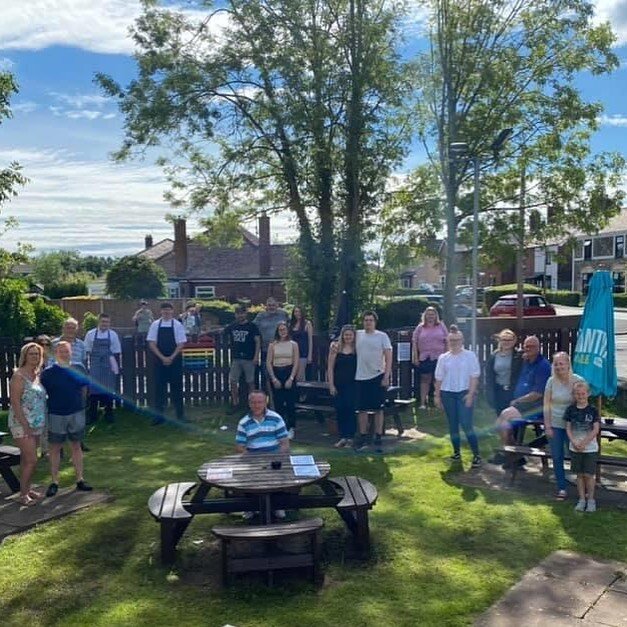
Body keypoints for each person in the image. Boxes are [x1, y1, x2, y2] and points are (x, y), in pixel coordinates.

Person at [41, 341, 92, 497]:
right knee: (55, 448)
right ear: (56, 353)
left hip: (76, 412)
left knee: (76, 446)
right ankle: (55, 481)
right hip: (56, 413)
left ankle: (80, 479)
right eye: (61, 351)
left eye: (67, 351)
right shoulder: (48, 373)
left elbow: (84, 388)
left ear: (71, 353)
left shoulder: (78, 368)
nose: (64, 354)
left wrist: (81, 405)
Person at [235, 389, 290, 520]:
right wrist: (252, 458)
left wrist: (277, 457)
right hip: (253, 457)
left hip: (274, 456)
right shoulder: (243, 422)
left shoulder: (276, 418)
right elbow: (239, 446)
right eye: (253, 402)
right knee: (247, 477)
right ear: (249, 404)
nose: (257, 405)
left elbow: (285, 443)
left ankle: (277, 506)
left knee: (278, 475)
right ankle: (250, 507)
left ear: (266, 402)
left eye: (260, 402)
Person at [434, 325, 482, 467]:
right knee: (453, 425)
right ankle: (456, 453)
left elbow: (474, 376)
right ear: (448, 341)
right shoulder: (443, 358)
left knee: (466, 424)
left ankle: (476, 455)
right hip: (448, 393)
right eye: (452, 340)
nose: (454, 343)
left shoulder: (470, 355)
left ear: (462, 340)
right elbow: (439, 378)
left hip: (464, 393)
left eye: (457, 340)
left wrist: (470, 394)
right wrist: (437, 396)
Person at [8, 343, 47, 505]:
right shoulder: (19, 376)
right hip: (21, 424)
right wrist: (25, 425)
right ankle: (22, 495)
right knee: (32, 460)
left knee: (27, 459)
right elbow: (15, 403)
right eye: (31, 354)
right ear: (25, 356)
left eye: (37, 354)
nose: (34, 357)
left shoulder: (36, 374)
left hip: (36, 423)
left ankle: (27, 488)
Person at [496, 336, 551, 449]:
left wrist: (517, 400)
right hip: (522, 404)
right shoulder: (525, 361)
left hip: (535, 405)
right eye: (526, 346)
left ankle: (512, 453)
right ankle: (513, 452)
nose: (528, 349)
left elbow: (538, 394)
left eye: (532, 346)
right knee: (500, 423)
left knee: (504, 418)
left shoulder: (543, 365)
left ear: (538, 348)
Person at [543, 352, 585, 501]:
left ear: (568, 364)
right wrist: (547, 426)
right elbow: (546, 405)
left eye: (562, 363)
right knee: (557, 456)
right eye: (556, 364)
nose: (559, 366)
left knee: (577, 455)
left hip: (573, 426)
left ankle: (583, 486)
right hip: (554, 424)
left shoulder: (578, 380)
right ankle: (562, 488)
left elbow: (584, 401)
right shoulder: (550, 381)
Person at [354, 311, 392, 453]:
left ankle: (378, 437)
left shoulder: (382, 336)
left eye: (370, 320)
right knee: (362, 410)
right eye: (365, 320)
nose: (368, 322)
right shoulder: (358, 335)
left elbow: (388, 357)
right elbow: (342, 342)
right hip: (360, 377)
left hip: (377, 376)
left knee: (378, 409)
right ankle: (363, 436)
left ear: (375, 322)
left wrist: (386, 376)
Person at [147, 302, 187, 424]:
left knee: (177, 388)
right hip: (159, 361)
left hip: (175, 361)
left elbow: (181, 343)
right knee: (159, 389)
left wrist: (171, 357)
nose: (166, 312)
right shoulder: (154, 325)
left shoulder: (177, 325)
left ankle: (180, 415)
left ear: (172, 311)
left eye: (168, 310)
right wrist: (162, 357)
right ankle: (159, 417)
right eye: (164, 310)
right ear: (161, 312)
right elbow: (152, 343)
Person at [565, 380, 600, 512]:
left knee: (589, 475)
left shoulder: (593, 410)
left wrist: (584, 443)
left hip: (590, 448)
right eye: (577, 394)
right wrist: (574, 442)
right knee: (579, 475)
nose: (580, 396)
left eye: (583, 393)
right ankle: (581, 499)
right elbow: (568, 428)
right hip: (575, 447)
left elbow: (595, 429)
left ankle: (591, 500)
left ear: (588, 394)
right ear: (574, 395)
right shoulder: (570, 410)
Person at [84, 313, 121, 425]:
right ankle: (92, 414)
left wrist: (115, 368)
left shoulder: (113, 334)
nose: (105, 324)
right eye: (103, 321)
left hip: (109, 365)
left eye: (107, 322)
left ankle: (109, 413)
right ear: (98, 322)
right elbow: (87, 350)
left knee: (109, 389)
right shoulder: (90, 334)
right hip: (95, 364)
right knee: (94, 389)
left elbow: (116, 351)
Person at [266, 322, 299, 439]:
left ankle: (291, 427)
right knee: (278, 403)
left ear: (288, 330)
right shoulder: (273, 345)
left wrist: (291, 378)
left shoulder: (293, 344)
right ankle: (279, 427)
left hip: (289, 371)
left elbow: (296, 362)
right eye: (280, 330)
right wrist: (274, 379)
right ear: (277, 331)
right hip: (276, 372)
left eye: (284, 329)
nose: (282, 332)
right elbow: (268, 363)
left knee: (290, 403)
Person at [224, 306, 260, 408]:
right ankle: (235, 403)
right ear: (235, 315)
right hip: (236, 358)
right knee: (233, 381)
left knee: (250, 382)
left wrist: (256, 356)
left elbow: (257, 341)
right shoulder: (233, 326)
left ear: (246, 314)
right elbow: (222, 330)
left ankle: (252, 405)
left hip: (249, 358)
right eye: (238, 313)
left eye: (242, 313)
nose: (240, 315)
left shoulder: (252, 326)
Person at [411, 306, 447, 409]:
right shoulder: (420, 327)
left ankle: (439, 403)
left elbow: (447, 340)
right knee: (425, 379)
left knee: (438, 379)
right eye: (428, 314)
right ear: (425, 316)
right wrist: (415, 357)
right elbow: (414, 341)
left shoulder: (441, 326)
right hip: (425, 357)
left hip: (439, 357)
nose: (430, 316)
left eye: (432, 314)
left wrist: (447, 355)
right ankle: (423, 403)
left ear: (436, 316)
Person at [327, 325, 357, 448]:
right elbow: (330, 367)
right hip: (339, 384)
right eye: (346, 335)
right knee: (340, 409)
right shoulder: (336, 348)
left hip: (353, 384)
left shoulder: (357, 349)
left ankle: (351, 437)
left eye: (350, 335)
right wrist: (331, 385)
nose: (348, 337)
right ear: (342, 336)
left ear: (354, 336)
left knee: (351, 409)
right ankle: (342, 437)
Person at [485, 329, 523, 416]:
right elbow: (489, 376)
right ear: (500, 340)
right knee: (501, 419)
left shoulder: (519, 355)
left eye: (509, 340)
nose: (507, 342)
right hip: (499, 392)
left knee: (512, 420)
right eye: (504, 340)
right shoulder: (494, 356)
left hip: (513, 392)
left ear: (514, 341)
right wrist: (490, 395)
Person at [253, 297, 288, 390]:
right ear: (266, 306)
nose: (271, 307)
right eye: (269, 305)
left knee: (280, 374)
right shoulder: (261, 316)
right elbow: (252, 327)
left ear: (277, 305)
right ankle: (268, 401)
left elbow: (291, 326)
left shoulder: (283, 314)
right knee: (267, 376)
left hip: (281, 350)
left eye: (273, 305)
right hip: (266, 349)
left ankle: (279, 400)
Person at [290, 306, 313, 381]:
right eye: (296, 311)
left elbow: (310, 340)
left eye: (299, 311)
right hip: (292, 354)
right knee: (292, 375)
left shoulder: (307, 324)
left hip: (303, 353)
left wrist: (309, 355)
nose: (297, 313)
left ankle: (300, 392)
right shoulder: (291, 324)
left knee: (299, 377)